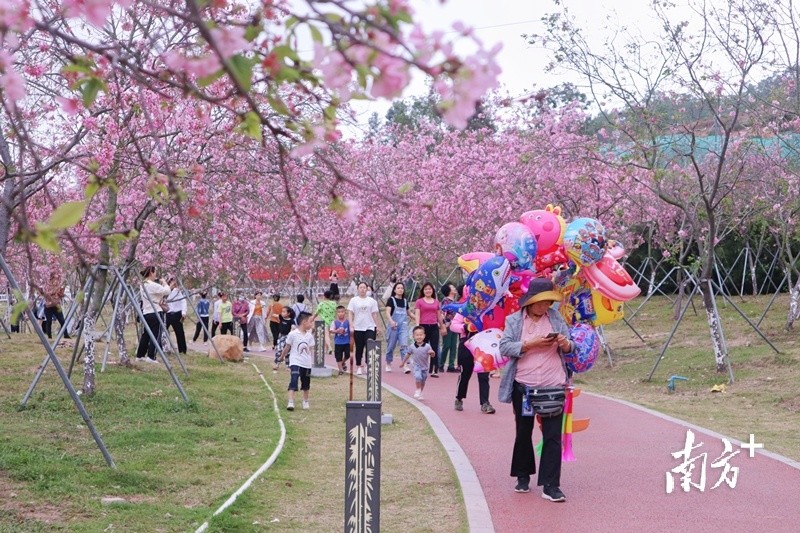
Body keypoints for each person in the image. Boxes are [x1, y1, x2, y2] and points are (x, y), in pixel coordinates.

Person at [499, 278, 574, 501]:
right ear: (529, 302)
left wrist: (564, 343)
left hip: (553, 385)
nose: (544, 307)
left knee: (552, 436)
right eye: (541, 303)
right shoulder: (514, 321)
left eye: (548, 302)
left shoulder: (555, 317)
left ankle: (551, 485)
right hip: (524, 386)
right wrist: (529, 344)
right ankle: (522, 475)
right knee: (524, 431)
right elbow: (504, 347)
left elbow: (571, 345)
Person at [452, 312, 495, 414]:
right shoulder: (465, 309)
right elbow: (453, 325)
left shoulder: (489, 309)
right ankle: (459, 398)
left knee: (484, 374)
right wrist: (465, 326)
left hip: (484, 344)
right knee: (465, 373)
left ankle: (485, 403)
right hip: (466, 343)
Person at [278, 311, 315, 411]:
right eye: (310, 322)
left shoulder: (309, 336)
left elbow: (310, 349)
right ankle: (291, 402)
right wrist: (282, 357)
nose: (312, 324)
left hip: (306, 363)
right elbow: (287, 347)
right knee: (294, 379)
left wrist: (312, 362)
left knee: (306, 383)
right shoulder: (293, 334)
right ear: (304, 322)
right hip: (295, 361)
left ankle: (305, 401)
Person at [136, 266, 171, 362]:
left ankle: (140, 355)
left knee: (146, 334)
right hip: (155, 312)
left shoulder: (143, 284)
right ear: (151, 272)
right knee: (156, 335)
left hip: (146, 312)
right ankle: (151, 356)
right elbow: (167, 291)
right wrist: (164, 283)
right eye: (155, 272)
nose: (156, 274)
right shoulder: (152, 284)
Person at [347, 281, 381, 375]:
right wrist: (351, 324)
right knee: (359, 347)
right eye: (360, 287)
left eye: (364, 288)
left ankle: (368, 365)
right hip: (358, 326)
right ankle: (358, 366)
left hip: (370, 326)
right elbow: (350, 313)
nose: (362, 289)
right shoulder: (354, 300)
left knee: (370, 345)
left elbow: (374, 314)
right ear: (358, 289)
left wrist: (377, 326)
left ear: (367, 289)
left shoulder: (372, 301)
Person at [414, 282, 443, 377]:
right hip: (423, 326)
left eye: (430, 289)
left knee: (434, 348)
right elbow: (417, 314)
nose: (428, 291)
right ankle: (421, 367)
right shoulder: (419, 301)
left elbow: (439, 316)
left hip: (434, 326)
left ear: (432, 290)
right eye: (426, 289)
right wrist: (418, 327)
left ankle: (434, 369)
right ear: (423, 290)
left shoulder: (436, 302)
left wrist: (442, 326)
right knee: (422, 348)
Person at [384, 281, 412, 373]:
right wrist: (391, 321)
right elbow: (387, 312)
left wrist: (417, 318)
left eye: (402, 288)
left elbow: (409, 313)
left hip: (403, 326)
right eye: (398, 288)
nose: (400, 289)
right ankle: (388, 362)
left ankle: (404, 365)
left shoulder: (405, 301)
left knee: (404, 345)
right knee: (391, 346)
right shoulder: (391, 300)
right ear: (395, 290)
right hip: (393, 326)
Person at [407, 325, 435, 400]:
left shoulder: (427, 346)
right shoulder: (412, 346)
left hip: (425, 367)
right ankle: (418, 390)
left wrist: (432, 353)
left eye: (420, 335)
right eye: (417, 335)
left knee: (423, 380)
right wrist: (403, 362)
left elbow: (433, 355)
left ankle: (420, 392)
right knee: (418, 377)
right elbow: (408, 354)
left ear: (424, 336)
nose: (419, 337)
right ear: (413, 336)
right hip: (416, 365)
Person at [164, 277, 187, 356]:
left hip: (177, 314)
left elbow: (183, 301)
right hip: (167, 314)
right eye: (171, 281)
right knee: (162, 330)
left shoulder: (177, 291)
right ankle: (160, 348)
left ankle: (182, 350)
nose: (173, 283)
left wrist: (183, 312)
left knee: (179, 332)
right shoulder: (165, 291)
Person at [440, 283, 460, 372]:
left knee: (453, 345)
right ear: (448, 290)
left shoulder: (455, 302)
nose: (454, 288)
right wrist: (443, 325)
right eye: (452, 287)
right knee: (446, 345)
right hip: (447, 326)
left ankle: (451, 365)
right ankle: (441, 364)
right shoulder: (445, 301)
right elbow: (442, 314)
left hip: (454, 325)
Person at [43, 274, 70, 339]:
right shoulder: (46, 285)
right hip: (48, 306)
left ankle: (66, 335)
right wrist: (55, 289)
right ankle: (49, 336)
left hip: (57, 305)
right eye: (55, 279)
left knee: (62, 321)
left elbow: (60, 295)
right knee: (49, 321)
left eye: (57, 279)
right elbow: (47, 294)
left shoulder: (58, 286)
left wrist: (62, 291)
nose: (56, 281)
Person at [314, 290, 337, 355]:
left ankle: (329, 348)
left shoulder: (322, 304)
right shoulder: (334, 303)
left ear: (324, 296)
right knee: (328, 336)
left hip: (324, 322)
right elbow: (336, 312)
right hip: (332, 321)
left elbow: (317, 312)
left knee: (326, 336)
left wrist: (312, 318)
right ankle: (327, 350)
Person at [330, 305, 351, 375]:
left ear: (345, 312)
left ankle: (342, 362)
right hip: (338, 342)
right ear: (336, 313)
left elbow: (351, 330)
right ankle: (340, 370)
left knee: (347, 355)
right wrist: (337, 331)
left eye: (342, 312)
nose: (341, 313)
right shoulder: (335, 322)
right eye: (339, 312)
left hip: (347, 341)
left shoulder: (348, 322)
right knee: (338, 356)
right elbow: (331, 330)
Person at [273, 306, 295, 370]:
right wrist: (273, 314)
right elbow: (276, 315)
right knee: (279, 350)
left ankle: (288, 366)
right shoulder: (281, 318)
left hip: (287, 337)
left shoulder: (291, 321)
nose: (282, 313)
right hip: (281, 336)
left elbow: (293, 327)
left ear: (288, 313)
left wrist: (292, 329)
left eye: (284, 312)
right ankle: (277, 364)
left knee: (287, 352)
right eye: (282, 312)